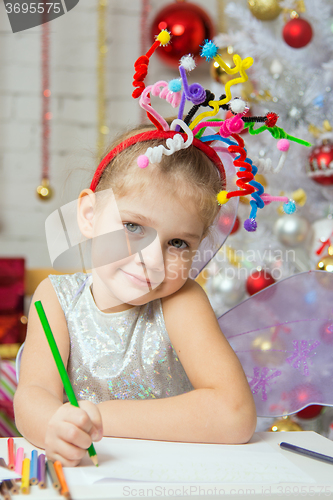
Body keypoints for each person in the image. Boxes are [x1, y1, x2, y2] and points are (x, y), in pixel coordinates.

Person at [13, 119, 257, 466]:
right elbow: (34, 396)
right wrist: (54, 426)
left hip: (172, 476)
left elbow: (234, 414)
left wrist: (98, 418)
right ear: (89, 215)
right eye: (133, 226)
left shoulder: (181, 301)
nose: (152, 261)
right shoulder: (55, 298)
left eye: (177, 243)